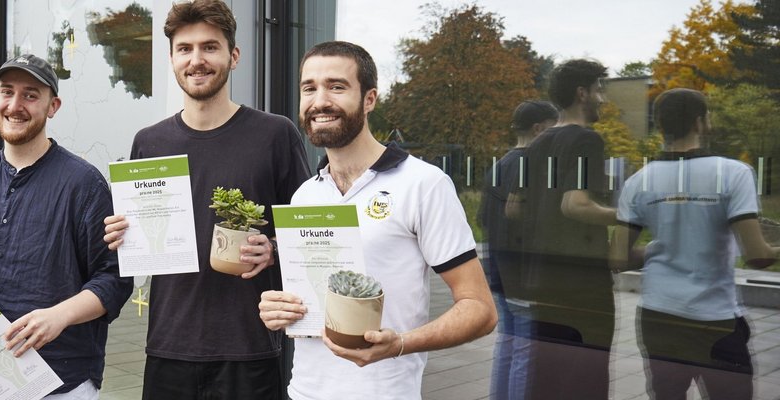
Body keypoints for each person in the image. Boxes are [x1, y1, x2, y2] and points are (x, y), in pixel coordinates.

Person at [257, 40, 496, 400]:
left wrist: (400, 343)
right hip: (303, 392)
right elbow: (312, 300)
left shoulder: (423, 184)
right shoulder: (305, 194)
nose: (320, 101)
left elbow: (480, 309)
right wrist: (280, 310)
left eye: (337, 86)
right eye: (310, 88)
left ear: (369, 99)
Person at [101, 0, 311, 398]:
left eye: (209, 47)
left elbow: (308, 234)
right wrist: (121, 233)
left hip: (249, 349)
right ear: (172, 58)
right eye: (185, 49)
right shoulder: (149, 142)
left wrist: (273, 249)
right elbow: (139, 240)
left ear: (234, 56)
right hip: (169, 345)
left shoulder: (275, 135)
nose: (197, 60)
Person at [0, 54, 133, 400]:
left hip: (56, 383)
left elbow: (114, 279)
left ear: (53, 106)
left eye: (30, 95)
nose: (15, 105)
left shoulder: (84, 184)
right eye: (6, 92)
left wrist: (59, 316)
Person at [612, 88, 775, 399]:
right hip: (715, 318)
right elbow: (758, 257)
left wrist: (659, 248)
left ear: (660, 125)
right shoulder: (733, 173)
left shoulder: (639, 180)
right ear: (701, 122)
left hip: (658, 314)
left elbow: (618, 258)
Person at [517, 59, 618, 399]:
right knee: (587, 381)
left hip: (543, 279)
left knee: (547, 380)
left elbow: (516, 207)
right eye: (598, 90)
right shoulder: (588, 140)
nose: (602, 98)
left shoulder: (537, 144)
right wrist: (629, 216)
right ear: (582, 93)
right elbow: (575, 204)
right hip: (583, 285)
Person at [478, 100, 557, 400]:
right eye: (552, 129)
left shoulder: (499, 165)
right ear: (539, 129)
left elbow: (483, 218)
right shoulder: (534, 166)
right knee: (526, 353)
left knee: (507, 346)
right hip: (525, 275)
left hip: (499, 271)